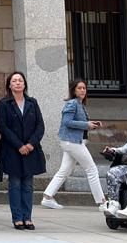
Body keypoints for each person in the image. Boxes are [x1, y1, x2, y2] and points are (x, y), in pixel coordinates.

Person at [41, 79, 106, 210]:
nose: (83, 90)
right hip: (72, 142)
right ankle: (102, 202)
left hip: (72, 141)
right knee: (92, 169)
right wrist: (86, 125)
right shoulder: (72, 103)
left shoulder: (79, 104)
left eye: (84, 88)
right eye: (79, 88)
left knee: (65, 170)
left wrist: (91, 123)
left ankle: (47, 197)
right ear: (74, 90)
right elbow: (67, 122)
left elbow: (76, 122)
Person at [0, 70, 46, 230]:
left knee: (28, 185)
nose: (18, 83)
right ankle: (17, 218)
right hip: (12, 149)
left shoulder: (32, 102)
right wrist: (19, 145)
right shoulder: (4, 104)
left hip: (31, 149)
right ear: (9, 85)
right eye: (14, 81)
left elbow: (40, 125)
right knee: (15, 183)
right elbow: (2, 127)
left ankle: (28, 217)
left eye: (20, 80)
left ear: (24, 84)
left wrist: (31, 144)